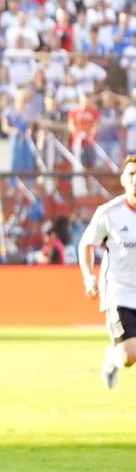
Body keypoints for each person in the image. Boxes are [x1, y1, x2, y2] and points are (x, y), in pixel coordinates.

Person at [79, 155, 136, 388]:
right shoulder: (109, 213)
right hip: (119, 291)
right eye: (131, 174)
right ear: (123, 179)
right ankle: (112, 357)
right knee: (129, 356)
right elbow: (86, 244)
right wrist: (88, 277)